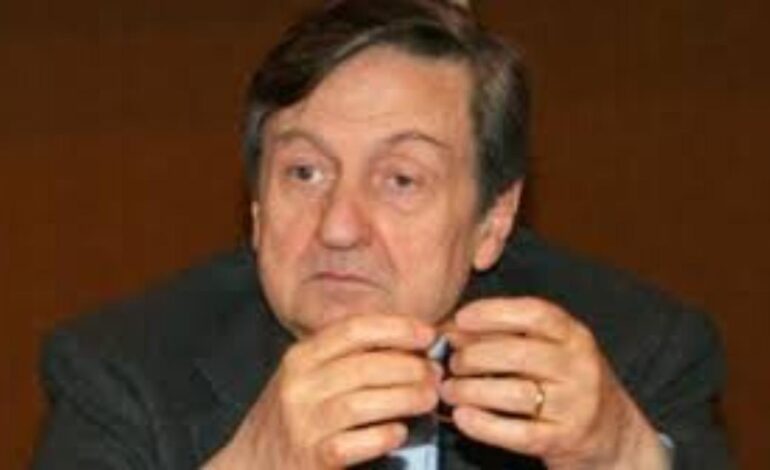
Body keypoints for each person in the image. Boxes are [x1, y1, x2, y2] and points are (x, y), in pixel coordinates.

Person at [33, 0, 730, 468]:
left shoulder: (638, 351)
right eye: (304, 172)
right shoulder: (120, 373)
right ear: (256, 208)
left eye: (400, 179)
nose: (339, 227)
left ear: (493, 221)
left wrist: (622, 456)